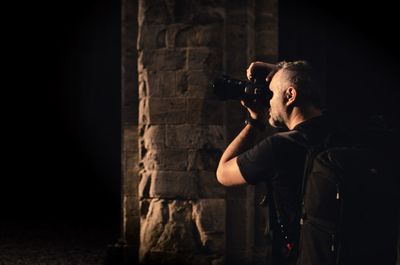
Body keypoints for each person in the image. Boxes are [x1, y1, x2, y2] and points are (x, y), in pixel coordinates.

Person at [216, 60, 338, 265]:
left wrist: (255, 121)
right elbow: (305, 77)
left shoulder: (278, 147)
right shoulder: (341, 131)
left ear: (290, 96)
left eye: (271, 93)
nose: (268, 101)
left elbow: (223, 173)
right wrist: (282, 71)